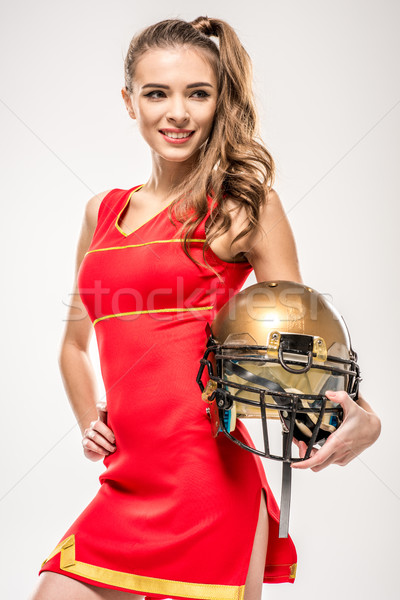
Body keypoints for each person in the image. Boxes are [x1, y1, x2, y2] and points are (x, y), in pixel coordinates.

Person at [30, 16, 381, 600]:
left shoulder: (244, 206)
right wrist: (88, 419)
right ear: (128, 101)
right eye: (156, 93)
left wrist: (362, 418)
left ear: (220, 101)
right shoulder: (101, 212)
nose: (178, 113)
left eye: (199, 93)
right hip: (125, 482)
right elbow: (73, 343)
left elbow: (298, 349)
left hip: (207, 483)